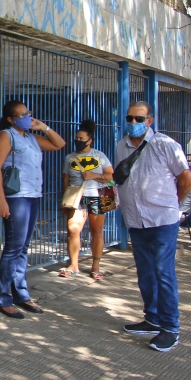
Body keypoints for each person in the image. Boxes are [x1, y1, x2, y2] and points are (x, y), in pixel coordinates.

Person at [117, 101, 191, 352]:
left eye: (139, 119)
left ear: (149, 121)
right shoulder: (121, 146)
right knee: (145, 273)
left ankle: (171, 327)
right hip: (136, 220)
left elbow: (186, 179)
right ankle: (152, 318)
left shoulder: (165, 144)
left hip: (162, 220)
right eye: (130, 118)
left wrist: (172, 204)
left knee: (163, 273)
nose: (133, 123)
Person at [0, 100, 65, 318]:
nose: (27, 117)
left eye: (28, 113)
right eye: (21, 114)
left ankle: (21, 294)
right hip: (16, 197)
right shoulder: (7, 135)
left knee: (23, 248)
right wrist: (1, 200)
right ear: (11, 119)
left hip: (33, 195)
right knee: (13, 248)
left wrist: (44, 127)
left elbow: (59, 144)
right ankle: (2, 298)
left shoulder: (31, 138)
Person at [59, 119, 115, 280]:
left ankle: (95, 267)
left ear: (90, 140)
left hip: (97, 196)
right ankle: (73, 264)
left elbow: (111, 176)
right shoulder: (69, 157)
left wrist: (94, 176)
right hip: (77, 197)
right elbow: (66, 179)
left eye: (81, 139)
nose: (78, 141)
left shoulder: (99, 156)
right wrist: (64, 199)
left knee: (96, 231)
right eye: (77, 138)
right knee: (73, 229)